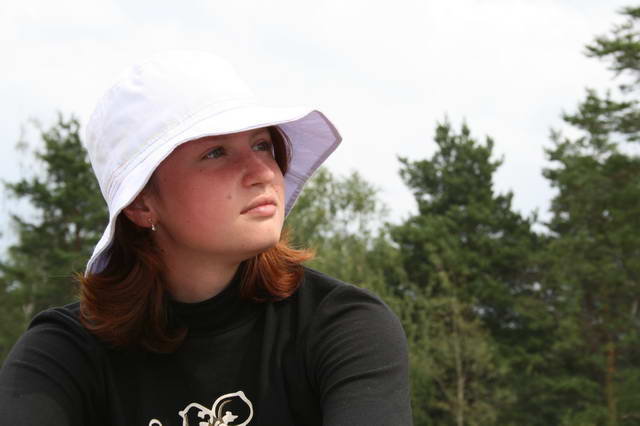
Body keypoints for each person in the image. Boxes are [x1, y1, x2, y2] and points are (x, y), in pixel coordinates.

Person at [0, 50, 412, 425]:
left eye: (262, 144)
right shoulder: (62, 355)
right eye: (216, 152)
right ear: (141, 203)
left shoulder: (341, 326)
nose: (263, 172)